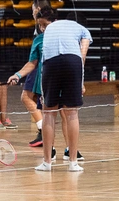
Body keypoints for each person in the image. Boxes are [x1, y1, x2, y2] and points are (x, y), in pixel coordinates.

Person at [35, 9, 91, 172]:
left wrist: (43, 90)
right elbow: (82, 57)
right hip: (72, 61)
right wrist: (80, 82)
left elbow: (45, 57)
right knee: (72, 112)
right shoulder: (83, 30)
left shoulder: (49, 29)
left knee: (48, 113)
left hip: (51, 63)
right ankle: (73, 162)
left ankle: (46, 163)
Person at [8, 9, 54, 152]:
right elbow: (32, 62)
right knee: (47, 115)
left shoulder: (64, 37)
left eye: (45, 25)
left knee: (66, 115)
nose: (42, 28)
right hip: (44, 82)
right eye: (40, 26)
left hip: (61, 80)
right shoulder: (38, 40)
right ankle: (49, 153)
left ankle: (71, 151)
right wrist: (17, 75)